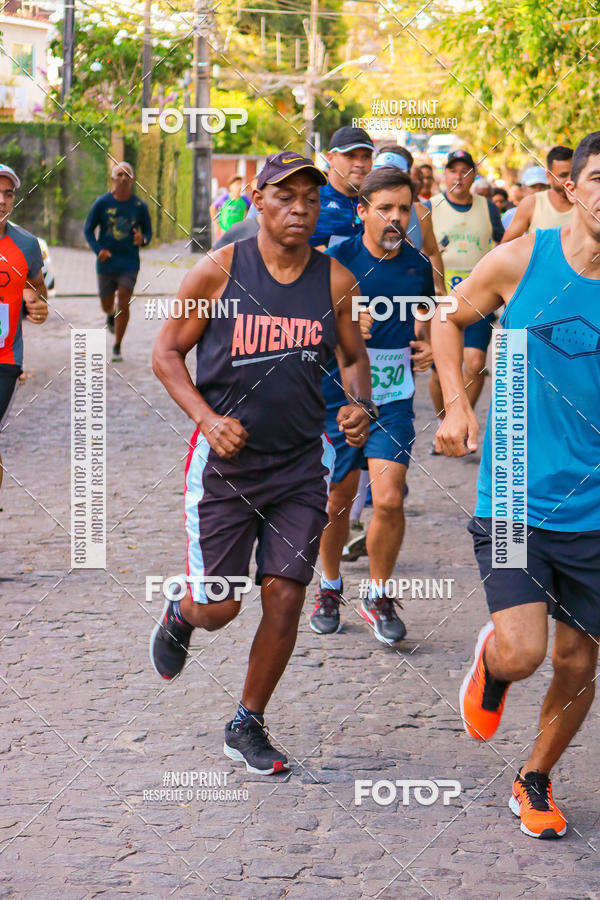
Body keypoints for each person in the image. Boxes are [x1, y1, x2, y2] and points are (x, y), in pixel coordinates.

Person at [149, 151, 372, 775]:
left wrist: (359, 404)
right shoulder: (220, 271)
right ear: (259, 199)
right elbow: (166, 353)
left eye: (309, 198)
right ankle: (182, 609)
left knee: (284, 598)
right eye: (284, 197)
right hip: (226, 470)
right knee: (220, 608)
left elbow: (355, 356)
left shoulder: (334, 281)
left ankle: (247, 721)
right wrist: (208, 419)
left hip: (301, 467)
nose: (299, 208)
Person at [432, 131, 600, 840]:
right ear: (573, 189)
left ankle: (534, 777)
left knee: (578, 660)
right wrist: (455, 402)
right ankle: (495, 666)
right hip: (514, 494)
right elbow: (448, 317)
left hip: (594, 509)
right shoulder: (522, 259)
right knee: (526, 651)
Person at [311, 167, 434, 642]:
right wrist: (340, 328)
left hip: (392, 398)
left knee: (387, 498)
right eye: (385, 208)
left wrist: (424, 347)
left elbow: (426, 325)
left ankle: (378, 594)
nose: (396, 217)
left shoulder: (417, 266)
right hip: (337, 401)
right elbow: (305, 327)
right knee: (338, 500)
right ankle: (329, 585)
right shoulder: (333, 260)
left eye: (404, 209)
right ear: (362, 211)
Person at [429, 149, 504, 431]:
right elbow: (416, 250)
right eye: (453, 170)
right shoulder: (430, 207)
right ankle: (444, 422)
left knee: (474, 364)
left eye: (465, 171)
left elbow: (504, 243)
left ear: (474, 175)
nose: (459, 177)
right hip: (441, 300)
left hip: (478, 300)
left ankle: (461, 421)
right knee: (438, 373)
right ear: (444, 175)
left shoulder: (488, 207)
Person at [0, 164, 47, 489]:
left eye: (8, 193)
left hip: (5, 358)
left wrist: (37, 303)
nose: (2, 200)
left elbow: (38, 292)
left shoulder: (27, 245)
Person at [84, 162, 152, 362]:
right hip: (107, 262)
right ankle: (110, 314)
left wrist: (143, 239)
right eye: (119, 174)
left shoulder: (140, 206)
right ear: (113, 179)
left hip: (129, 262)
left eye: (127, 174)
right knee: (107, 304)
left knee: (124, 298)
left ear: (132, 180)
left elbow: (147, 232)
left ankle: (117, 345)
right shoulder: (102, 203)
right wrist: (98, 250)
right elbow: (88, 229)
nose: (123, 178)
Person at [310, 126, 374, 249]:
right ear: (330, 159)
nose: (359, 164)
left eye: (366, 156)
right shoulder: (310, 198)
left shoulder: (379, 202)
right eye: (350, 156)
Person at [501, 147, 574, 242]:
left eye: (574, 174)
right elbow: (505, 247)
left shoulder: (589, 202)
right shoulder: (531, 204)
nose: (570, 180)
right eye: (563, 176)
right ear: (549, 177)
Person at [210, 174, 252, 240]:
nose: (239, 186)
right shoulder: (224, 198)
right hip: (224, 232)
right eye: (237, 184)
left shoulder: (245, 200)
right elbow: (212, 207)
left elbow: (251, 211)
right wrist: (216, 224)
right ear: (231, 186)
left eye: (241, 184)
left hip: (239, 233)